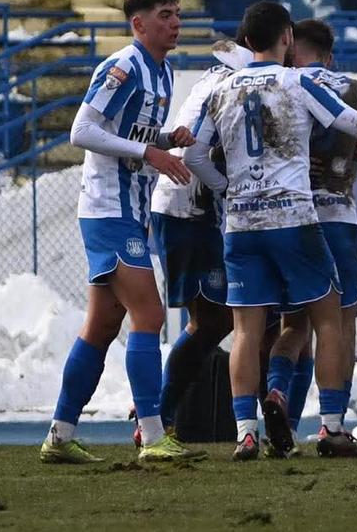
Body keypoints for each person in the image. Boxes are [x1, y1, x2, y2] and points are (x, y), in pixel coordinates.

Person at [186, 1, 357, 460]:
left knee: (246, 332)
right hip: (293, 219)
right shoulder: (298, 80)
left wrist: (227, 190)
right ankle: (330, 428)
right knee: (328, 320)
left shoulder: (220, 89)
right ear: (287, 37)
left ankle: (246, 432)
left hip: (241, 224)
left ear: (246, 41)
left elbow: (194, 156)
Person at [40, 0, 201, 464]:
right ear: (138, 23)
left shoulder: (164, 72)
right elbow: (83, 130)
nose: (175, 23)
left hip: (130, 210)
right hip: (109, 210)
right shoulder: (122, 66)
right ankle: (152, 437)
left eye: (177, 14)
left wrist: (166, 138)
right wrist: (150, 150)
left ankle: (59, 435)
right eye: (165, 14)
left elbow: (127, 133)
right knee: (149, 317)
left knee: (101, 327)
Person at [262, 18, 357, 458]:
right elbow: (353, 142)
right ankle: (333, 425)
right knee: (339, 323)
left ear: (291, 49)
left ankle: (275, 391)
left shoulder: (278, 85)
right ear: (329, 55)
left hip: (289, 217)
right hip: (336, 215)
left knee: (294, 324)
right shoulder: (349, 86)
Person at [144, 34, 253, 446]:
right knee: (215, 320)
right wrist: (227, 188)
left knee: (217, 319)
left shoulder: (216, 77)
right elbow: (194, 156)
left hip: (186, 207)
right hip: (186, 208)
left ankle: (161, 412)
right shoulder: (230, 85)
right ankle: (160, 413)